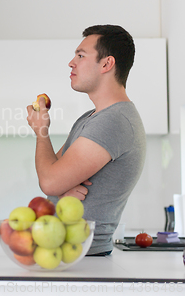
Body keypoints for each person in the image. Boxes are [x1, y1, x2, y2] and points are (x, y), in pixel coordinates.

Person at [26, 25, 146, 255]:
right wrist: (60, 193)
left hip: (82, 257)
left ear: (106, 64)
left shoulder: (113, 121)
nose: (71, 63)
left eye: (80, 56)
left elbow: (49, 181)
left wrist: (41, 131)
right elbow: (52, 174)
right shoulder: (92, 118)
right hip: (65, 253)